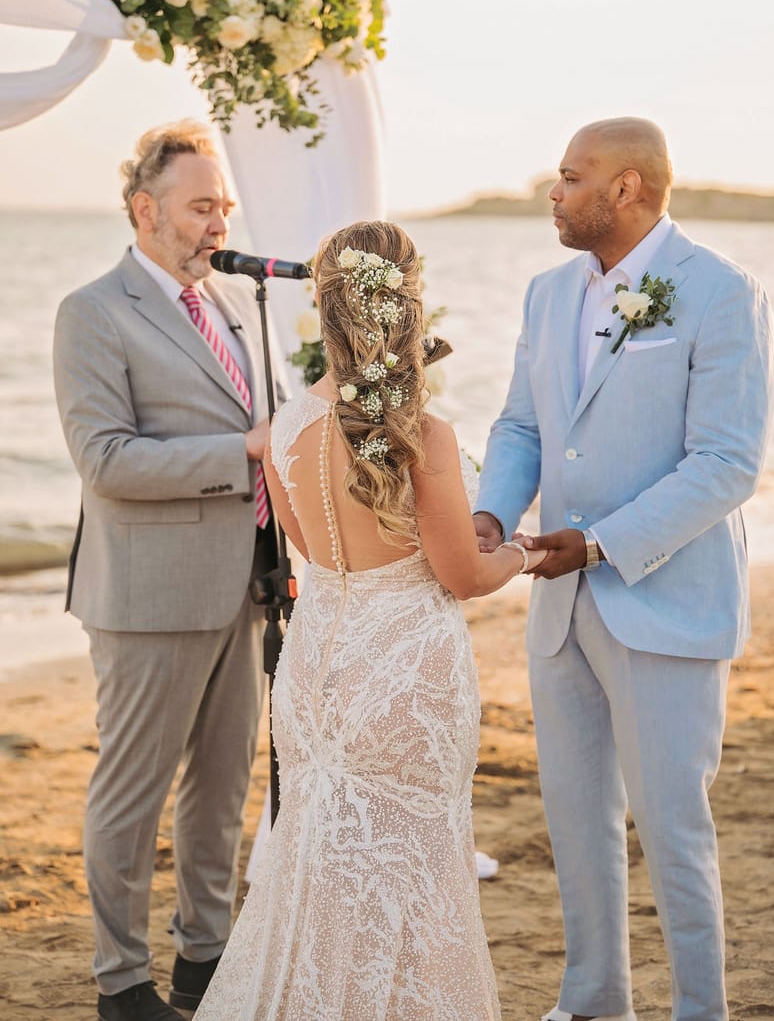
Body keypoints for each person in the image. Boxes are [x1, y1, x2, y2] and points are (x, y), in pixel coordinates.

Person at [193, 220, 541, 1021]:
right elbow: (463, 574)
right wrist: (521, 554)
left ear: (325, 307)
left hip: (316, 669)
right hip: (405, 675)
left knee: (317, 869)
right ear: (408, 306)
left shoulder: (283, 428)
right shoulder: (422, 434)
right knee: (416, 875)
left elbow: (309, 549)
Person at [473, 118, 774, 1021]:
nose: (554, 193)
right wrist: (492, 513)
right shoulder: (545, 294)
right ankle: (594, 999)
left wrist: (602, 543)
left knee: (674, 831)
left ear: (626, 189)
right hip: (560, 605)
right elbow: (521, 426)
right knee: (575, 823)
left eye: (571, 178)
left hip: (666, 602)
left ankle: (699, 1010)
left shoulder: (721, 291)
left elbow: (727, 463)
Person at [53, 120, 278, 1021]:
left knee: (221, 792)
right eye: (200, 207)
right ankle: (120, 983)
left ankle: (203, 961)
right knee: (132, 794)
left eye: (224, 207)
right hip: (147, 597)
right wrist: (244, 451)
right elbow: (106, 461)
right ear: (145, 211)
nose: (219, 224)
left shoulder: (227, 303)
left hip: (243, 585)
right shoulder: (93, 312)